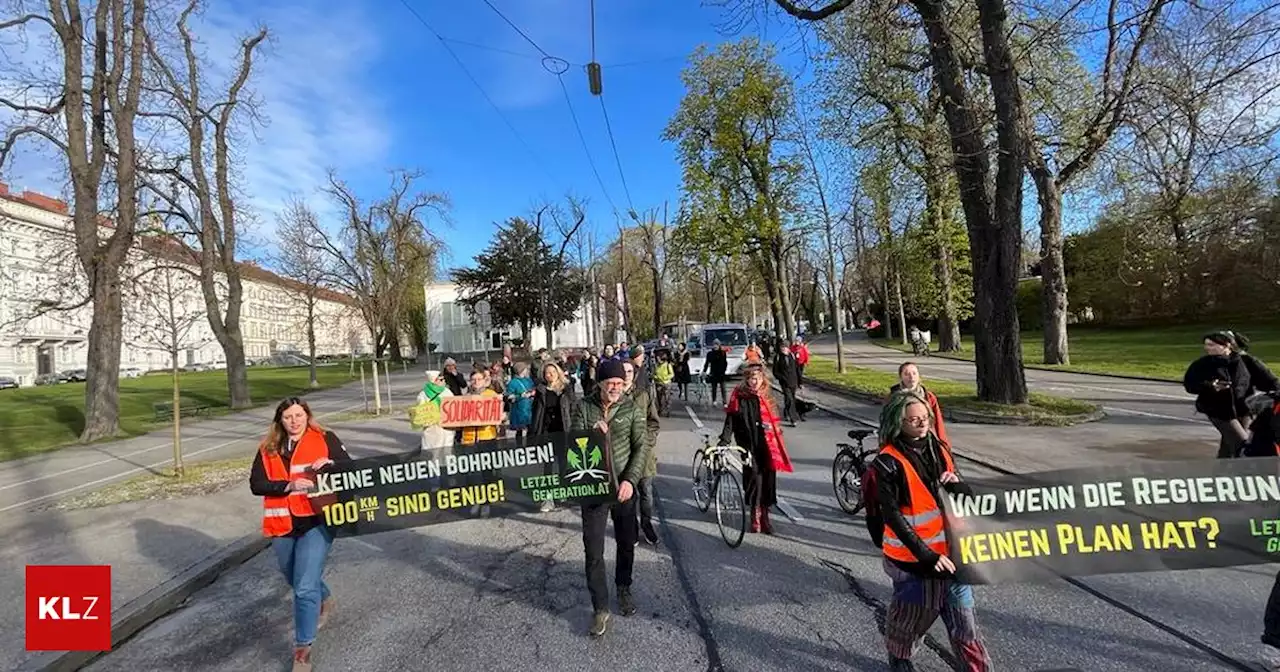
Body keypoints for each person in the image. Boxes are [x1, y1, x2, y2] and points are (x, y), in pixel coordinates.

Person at [871, 392, 991, 671]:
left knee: (965, 623)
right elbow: (893, 516)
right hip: (914, 563)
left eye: (925, 418)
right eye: (914, 420)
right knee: (910, 621)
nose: (922, 424)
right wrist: (926, 556)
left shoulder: (940, 449)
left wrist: (956, 485)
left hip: (953, 555)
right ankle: (900, 660)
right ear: (899, 422)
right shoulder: (888, 462)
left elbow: (965, 496)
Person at [249, 397, 353, 672]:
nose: (294, 421)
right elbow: (257, 484)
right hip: (282, 524)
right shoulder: (267, 448)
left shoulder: (325, 438)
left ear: (307, 415)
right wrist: (289, 485)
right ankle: (325, 596)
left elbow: (350, 469)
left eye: (299, 415)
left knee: (304, 587)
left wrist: (331, 463)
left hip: (317, 521)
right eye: (288, 417)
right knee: (292, 576)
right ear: (280, 421)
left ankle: (302, 652)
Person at [571, 359, 649, 638]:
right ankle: (600, 607)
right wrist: (592, 432)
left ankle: (623, 587)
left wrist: (630, 480)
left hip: (623, 488)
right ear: (600, 383)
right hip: (593, 487)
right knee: (593, 550)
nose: (616, 387)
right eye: (610, 383)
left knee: (626, 542)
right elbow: (574, 439)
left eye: (619, 383)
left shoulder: (631, 408)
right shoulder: (583, 406)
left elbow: (641, 447)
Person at [718, 363, 793, 534]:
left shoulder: (767, 394)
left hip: (767, 444)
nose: (753, 382)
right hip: (748, 443)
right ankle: (755, 514)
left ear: (762, 379)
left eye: (756, 378)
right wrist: (725, 439)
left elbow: (775, 419)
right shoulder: (740, 395)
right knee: (754, 479)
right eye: (750, 378)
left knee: (768, 480)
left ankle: (766, 516)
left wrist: (774, 430)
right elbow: (731, 419)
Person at [1183, 330, 1277, 458]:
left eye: (1212, 345)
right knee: (1243, 445)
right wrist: (1210, 386)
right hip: (1219, 412)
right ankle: (1243, 473)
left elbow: (1268, 380)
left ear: (1227, 345)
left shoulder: (1246, 361)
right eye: (1206, 345)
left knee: (1229, 447)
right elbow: (1190, 385)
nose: (1207, 348)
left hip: (1244, 410)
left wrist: (1276, 391)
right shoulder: (1202, 364)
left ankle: (1221, 473)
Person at [623, 356, 661, 545]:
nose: (626, 375)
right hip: (622, 454)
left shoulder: (643, 395)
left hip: (643, 452)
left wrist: (648, 442)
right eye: (623, 371)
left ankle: (647, 525)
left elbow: (653, 422)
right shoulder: (613, 394)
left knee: (646, 492)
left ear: (635, 373)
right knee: (629, 495)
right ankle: (632, 528)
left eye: (629, 371)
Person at [531, 362, 575, 512]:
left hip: (563, 431)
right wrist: (533, 432)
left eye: (552, 372)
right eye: (546, 373)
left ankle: (562, 492)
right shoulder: (541, 390)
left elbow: (573, 409)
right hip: (546, 431)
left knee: (563, 464)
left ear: (558, 373)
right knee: (547, 466)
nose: (549, 375)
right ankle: (547, 498)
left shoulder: (566, 389)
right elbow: (535, 412)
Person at [887, 362, 950, 449]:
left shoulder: (928, 397)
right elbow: (888, 424)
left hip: (926, 440)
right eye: (906, 374)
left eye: (914, 373)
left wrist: (944, 445)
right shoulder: (894, 398)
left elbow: (938, 422)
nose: (911, 377)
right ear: (901, 377)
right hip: (901, 442)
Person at [414, 370, 455, 450]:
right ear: (433, 380)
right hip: (432, 428)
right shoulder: (423, 395)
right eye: (441, 380)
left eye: (443, 379)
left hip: (446, 428)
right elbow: (420, 412)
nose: (444, 381)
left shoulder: (447, 392)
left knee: (447, 452)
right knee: (432, 453)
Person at [505, 362, 536, 446]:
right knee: (520, 430)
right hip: (519, 409)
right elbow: (509, 397)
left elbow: (533, 388)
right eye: (525, 369)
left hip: (529, 407)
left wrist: (533, 392)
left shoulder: (528, 380)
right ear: (521, 370)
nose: (527, 370)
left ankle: (531, 444)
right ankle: (519, 446)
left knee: (530, 427)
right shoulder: (513, 382)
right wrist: (520, 396)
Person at [772, 338, 802, 426]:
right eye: (782, 347)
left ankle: (786, 412)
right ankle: (793, 419)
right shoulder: (777, 357)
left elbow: (797, 370)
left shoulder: (792, 356)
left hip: (793, 381)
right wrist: (781, 378)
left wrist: (800, 382)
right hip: (784, 383)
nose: (784, 349)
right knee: (789, 399)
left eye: (785, 347)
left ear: (788, 348)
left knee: (791, 398)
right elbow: (775, 372)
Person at [703, 339, 729, 404]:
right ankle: (714, 400)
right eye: (714, 344)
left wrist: (724, 370)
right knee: (714, 388)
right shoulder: (710, 354)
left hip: (721, 373)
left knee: (723, 388)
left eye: (717, 345)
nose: (715, 346)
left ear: (719, 345)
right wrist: (704, 371)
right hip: (713, 373)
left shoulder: (723, 353)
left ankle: (724, 401)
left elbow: (725, 362)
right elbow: (707, 363)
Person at [654, 351, 675, 415]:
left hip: (666, 383)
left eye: (659, 358)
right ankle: (660, 409)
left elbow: (672, 374)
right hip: (658, 383)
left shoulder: (667, 364)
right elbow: (653, 373)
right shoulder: (656, 365)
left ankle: (668, 410)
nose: (658, 360)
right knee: (659, 398)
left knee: (667, 397)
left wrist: (665, 377)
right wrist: (655, 377)